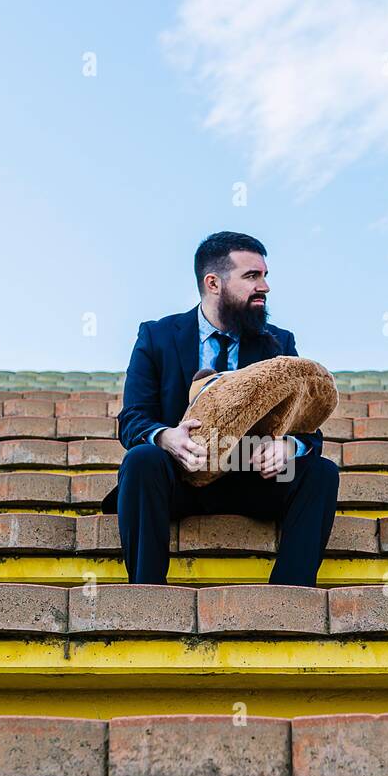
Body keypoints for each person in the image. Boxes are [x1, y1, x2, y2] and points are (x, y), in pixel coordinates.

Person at [107, 231, 339, 585]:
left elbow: (309, 431)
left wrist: (286, 447)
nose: (265, 286)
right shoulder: (156, 336)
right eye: (252, 276)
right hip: (180, 477)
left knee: (321, 473)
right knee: (140, 460)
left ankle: (288, 596)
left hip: (254, 477)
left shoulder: (280, 342)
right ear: (213, 282)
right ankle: (147, 590)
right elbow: (133, 419)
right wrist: (167, 437)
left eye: (265, 275)